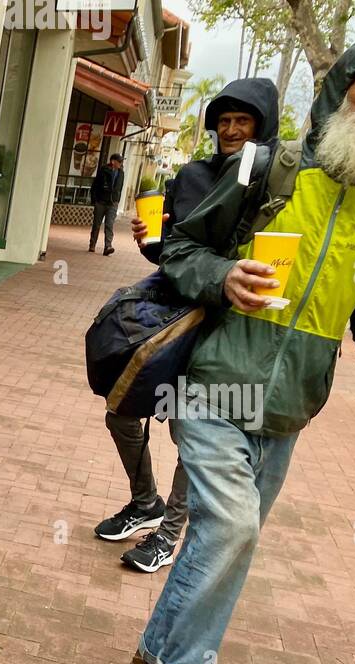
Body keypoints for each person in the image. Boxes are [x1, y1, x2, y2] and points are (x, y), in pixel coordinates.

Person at [134, 32, 355, 664]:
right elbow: (181, 249)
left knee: (226, 538)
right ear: (342, 85)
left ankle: (154, 647)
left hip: (290, 406)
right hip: (218, 380)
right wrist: (223, 277)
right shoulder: (270, 170)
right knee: (232, 525)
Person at [95, 80, 280, 574]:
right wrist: (150, 242)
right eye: (224, 122)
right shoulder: (193, 174)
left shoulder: (276, 183)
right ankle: (144, 502)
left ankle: (168, 533)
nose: (232, 130)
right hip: (172, 316)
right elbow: (174, 251)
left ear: (263, 126)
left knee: (187, 429)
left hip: (225, 328)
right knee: (120, 411)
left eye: (243, 121)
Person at [88, 154, 125, 255]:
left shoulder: (121, 173)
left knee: (109, 225)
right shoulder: (104, 170)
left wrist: (117, 200)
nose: (121, 164)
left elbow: (119, 188)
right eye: (119, 162)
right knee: (96, 224)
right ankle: (92, 244)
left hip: (113, 203)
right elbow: (95, 185)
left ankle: (108, 246)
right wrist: (94, 200)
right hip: (101, 201)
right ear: (113, 161)